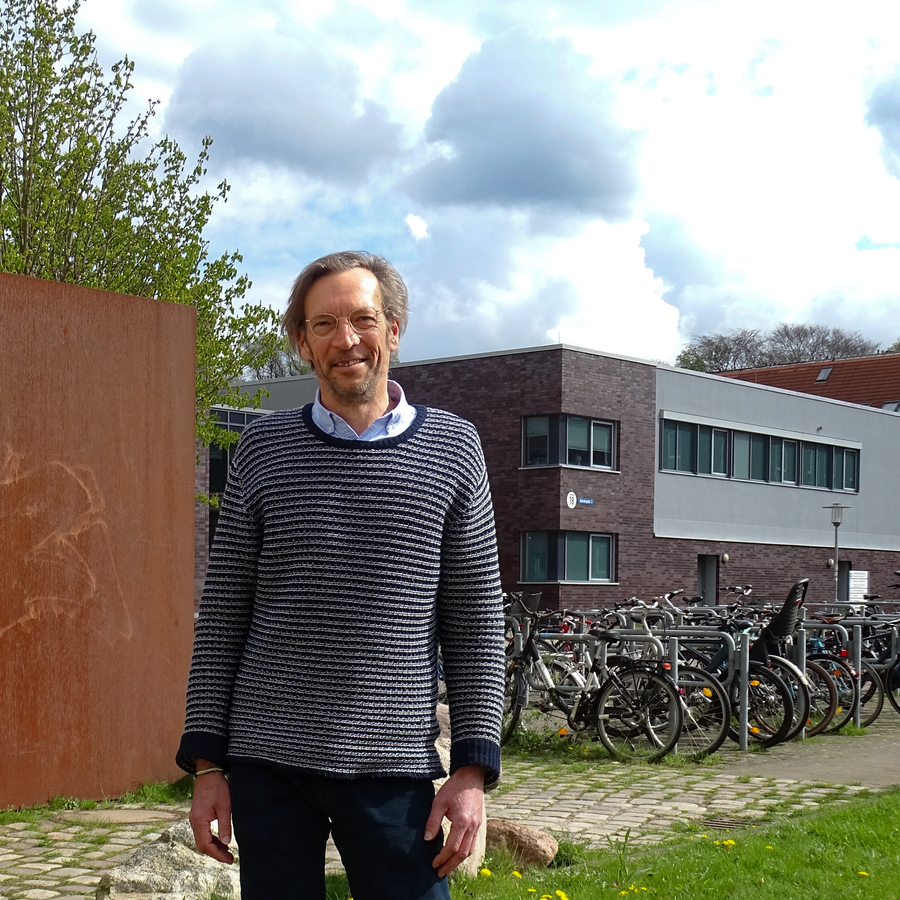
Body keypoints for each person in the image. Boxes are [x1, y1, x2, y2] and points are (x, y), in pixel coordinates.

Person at [176, 251, 505, 900]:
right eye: (324, 324)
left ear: (395, 329)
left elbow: (475, 619)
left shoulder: (454, 448)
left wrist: (471, 770)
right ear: (302, 342)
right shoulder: (262, 449)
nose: (346, 339)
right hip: (268, 765)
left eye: (363, 319)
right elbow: (222, 615)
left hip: (392, 767)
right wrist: (208, 766)